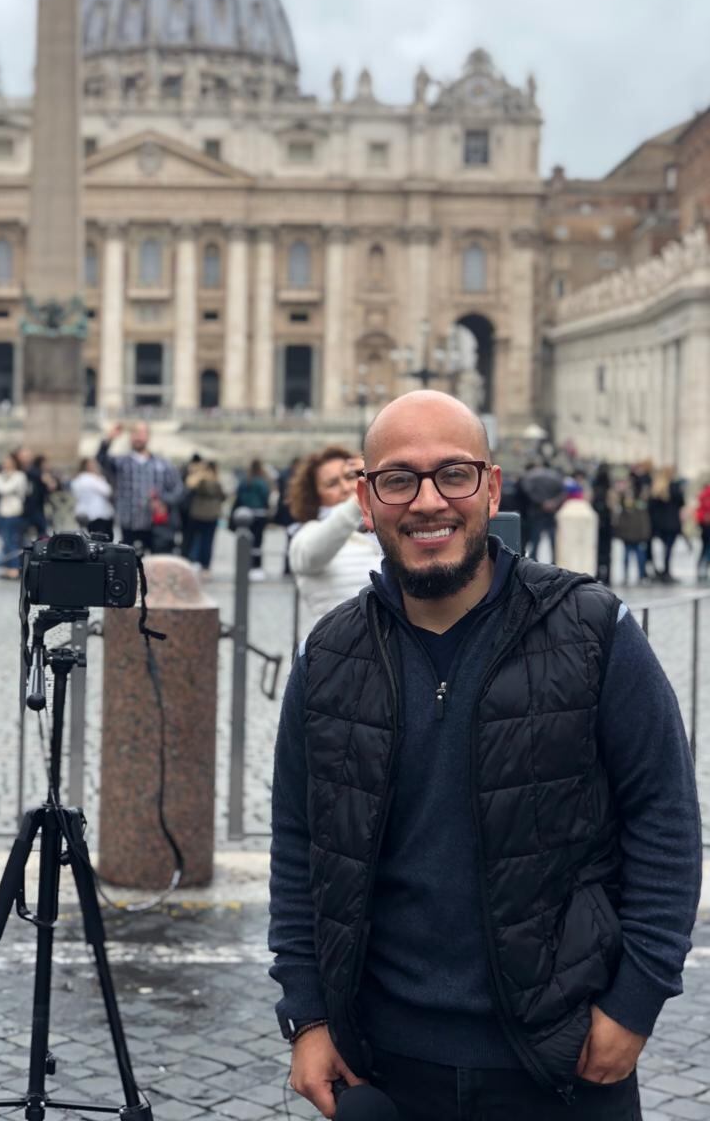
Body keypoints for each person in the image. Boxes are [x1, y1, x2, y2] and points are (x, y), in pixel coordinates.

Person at [269, 390, 701, 1121]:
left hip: (561, 1060)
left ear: (490, 488)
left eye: (453, 475)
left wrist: (633, 1004)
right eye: (399, 479)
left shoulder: (593, 628)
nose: (428, 502)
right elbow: (299, 843)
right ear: (367, 501)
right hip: (384, 1059)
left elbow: (663, 818)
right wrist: (308, 1016)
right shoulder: (329, 654)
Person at [287, 445, 381, 637]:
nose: (346, 488)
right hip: (339, 648)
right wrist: (363, 496)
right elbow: (311, 555)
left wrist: (382, 479)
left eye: (349, 477)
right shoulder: (307, 534)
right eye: (332, 484)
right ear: (315, 496)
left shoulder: (382, 528)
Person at [96, 421, 183, 551]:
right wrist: (109, 439)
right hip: (129, 523)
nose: (138, 437)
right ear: (130, 436)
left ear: (148, 436)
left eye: (142, 433)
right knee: (128, 565)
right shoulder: (120, 462)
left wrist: (164, 501)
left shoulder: (163, 464)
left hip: (156, 524)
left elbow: (178, 489)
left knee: (155, 565)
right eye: (135, 433)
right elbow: (101, 459)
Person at [0, 452, 29, 580]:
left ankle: (15, 568)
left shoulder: (19, 476)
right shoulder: (4, 475)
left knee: (12, 541)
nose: (5, 463)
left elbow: (4, 489)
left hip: (13, 512)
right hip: (3, 512)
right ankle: (7, 568)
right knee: (5, 542)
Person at [231, 459, 272, 580]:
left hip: (244, 513)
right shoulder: (262, 481)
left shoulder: (244, 480)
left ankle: (244, 565)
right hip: (259, 513)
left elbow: (238, 495)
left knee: (244, 541)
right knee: (258, 542)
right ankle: (256, 567)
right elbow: (266, 496)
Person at [519, 458, 565, 562]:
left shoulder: (531, 475)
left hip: (536, 511)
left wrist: (541, 502)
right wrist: (553, 503)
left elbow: (526, 491)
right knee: (553, 538)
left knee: (535, 538)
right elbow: (563, 493)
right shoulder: (557, 477)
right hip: (552, 512)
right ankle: (555, 560)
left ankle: (533, 560)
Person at [183, 460, 226, 572]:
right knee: (208, 541)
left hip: (197, 513)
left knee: (194, 539)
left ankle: (193, 561)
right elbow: (223, 496)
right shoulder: (216, 481)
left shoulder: (199, 479)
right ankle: (205, 565)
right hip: (212, 515)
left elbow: (189, 485)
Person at [648, 466, 685, 584]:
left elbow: (651, 507)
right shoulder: (675, 487)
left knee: (661, 548)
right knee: (669, 549)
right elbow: (681, 502)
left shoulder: (656, 489)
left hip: (660, 524)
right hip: (672, 523)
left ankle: (660, 570)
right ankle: (666, 571)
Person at [70, 458, 115, 541]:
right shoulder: (93, 478)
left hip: (84, 513)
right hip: (99, 513)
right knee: (103, 540)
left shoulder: (77, 479)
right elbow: (107, 491)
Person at [21, 450, 57, 541]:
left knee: (41, 532)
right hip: (32, 508)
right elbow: (48, 483)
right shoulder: (34, 472)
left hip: (38, 507)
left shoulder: (38, 472)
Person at [590, 463, 614, 585]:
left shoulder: (595, 489)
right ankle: (608, 575)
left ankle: (599, 573)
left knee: (598, 550)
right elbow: (613, 507)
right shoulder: (610, 490)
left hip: (597, 523)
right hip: (608, 523)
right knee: (608, 551)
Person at [695, 478, 710, 584]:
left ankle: (701, 568)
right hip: (707, 525)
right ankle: (702, 568)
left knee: (705, 547)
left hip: (704, 525)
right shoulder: (706, 494)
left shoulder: (703, 494)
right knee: (707, 548)